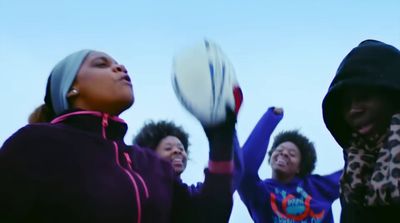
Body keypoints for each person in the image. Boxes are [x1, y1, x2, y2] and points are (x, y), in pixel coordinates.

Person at [0, 49, 237, 223]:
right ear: (71, 89)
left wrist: (221, 134)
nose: (120, 67)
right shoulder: (35, 143)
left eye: (119, 63)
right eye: (101, 64)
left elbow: (208, 216)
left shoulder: (152, 164)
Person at [322, 39, 400, 222]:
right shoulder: (354, 174)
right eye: (345, 104)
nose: (353, 111)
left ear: (393, 96)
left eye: (363, 97)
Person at [238, 107, 342, 223]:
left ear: (300, 167)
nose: (284, 153)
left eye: (292, 154)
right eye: (279, 150)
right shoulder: (260, 193)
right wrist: (269, 120)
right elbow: (243, 168)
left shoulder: (317, 187)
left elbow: (355, 173)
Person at [133, 120, 243, 193]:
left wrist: (228, 126)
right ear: (149, 156)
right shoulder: (139, 194)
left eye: (181, 148)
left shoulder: (192, 197)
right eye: (168, 148)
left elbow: (231, 174)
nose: (177, 151)